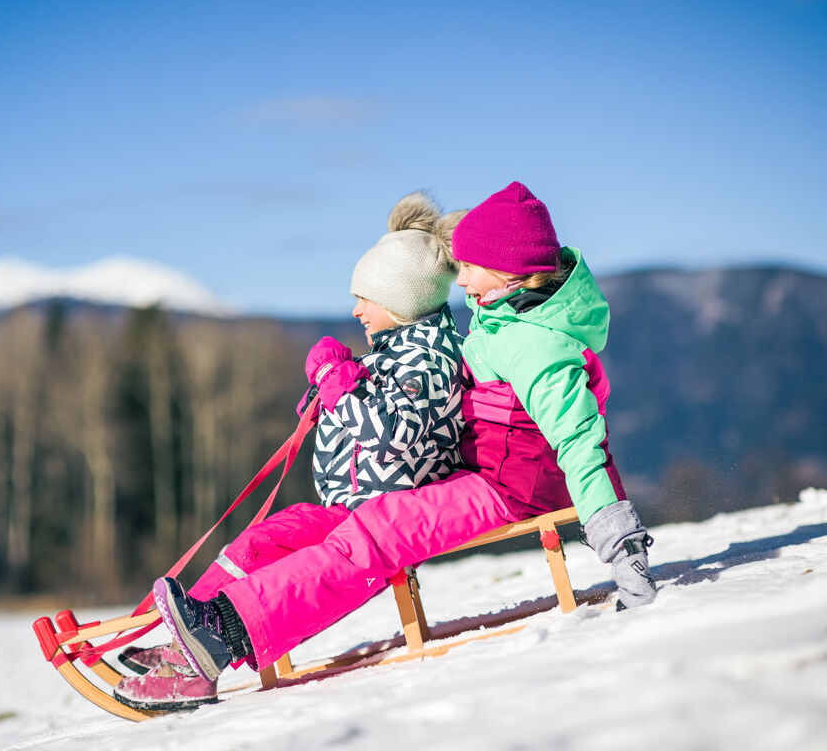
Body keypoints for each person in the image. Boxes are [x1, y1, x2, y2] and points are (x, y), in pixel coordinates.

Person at [145, 182, 658, 702]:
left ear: (507, 270)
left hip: (516, 489)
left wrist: (621, 547)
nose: (459, 279)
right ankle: (198, 631)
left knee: (376, 531)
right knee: (337, 528)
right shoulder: (507, 314)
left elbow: (579, 443)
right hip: (488, 474)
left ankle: (222, 632)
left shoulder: (539, 347)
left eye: (469, 267)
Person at [113, 191, 466, 710]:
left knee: (301, 564)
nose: (355, 309)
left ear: (402, 298)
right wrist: (331, 391)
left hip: (381, 516)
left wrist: (340, 386)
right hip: (343, 508)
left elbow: (392, 439)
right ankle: (186, 641)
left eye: (365, 297)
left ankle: (207, 648)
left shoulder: (431, 364)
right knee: (260, 542)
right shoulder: (392, 354)